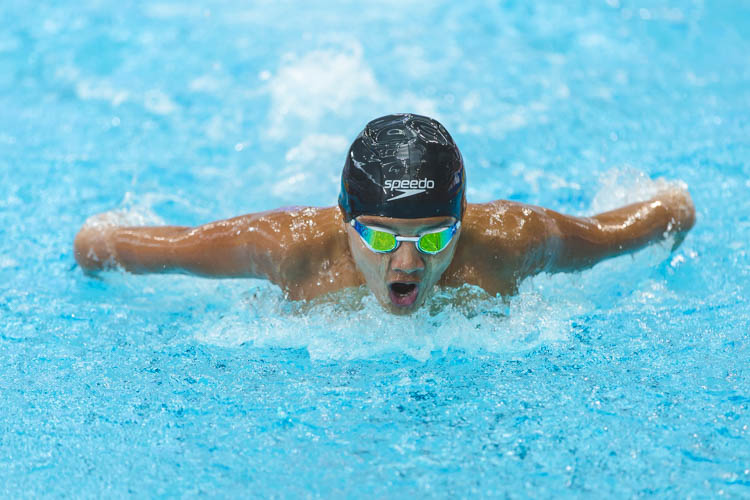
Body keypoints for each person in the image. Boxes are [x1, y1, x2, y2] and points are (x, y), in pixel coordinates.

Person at [74, 114, 695, 315]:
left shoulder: (514, 241)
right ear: (344, 217)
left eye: (432, 239)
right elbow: (123, 245)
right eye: (377, 235)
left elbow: (640, 225)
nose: (405, 263)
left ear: (464, 218)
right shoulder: (288, 248)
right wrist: (97, 244)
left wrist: (672, 209)